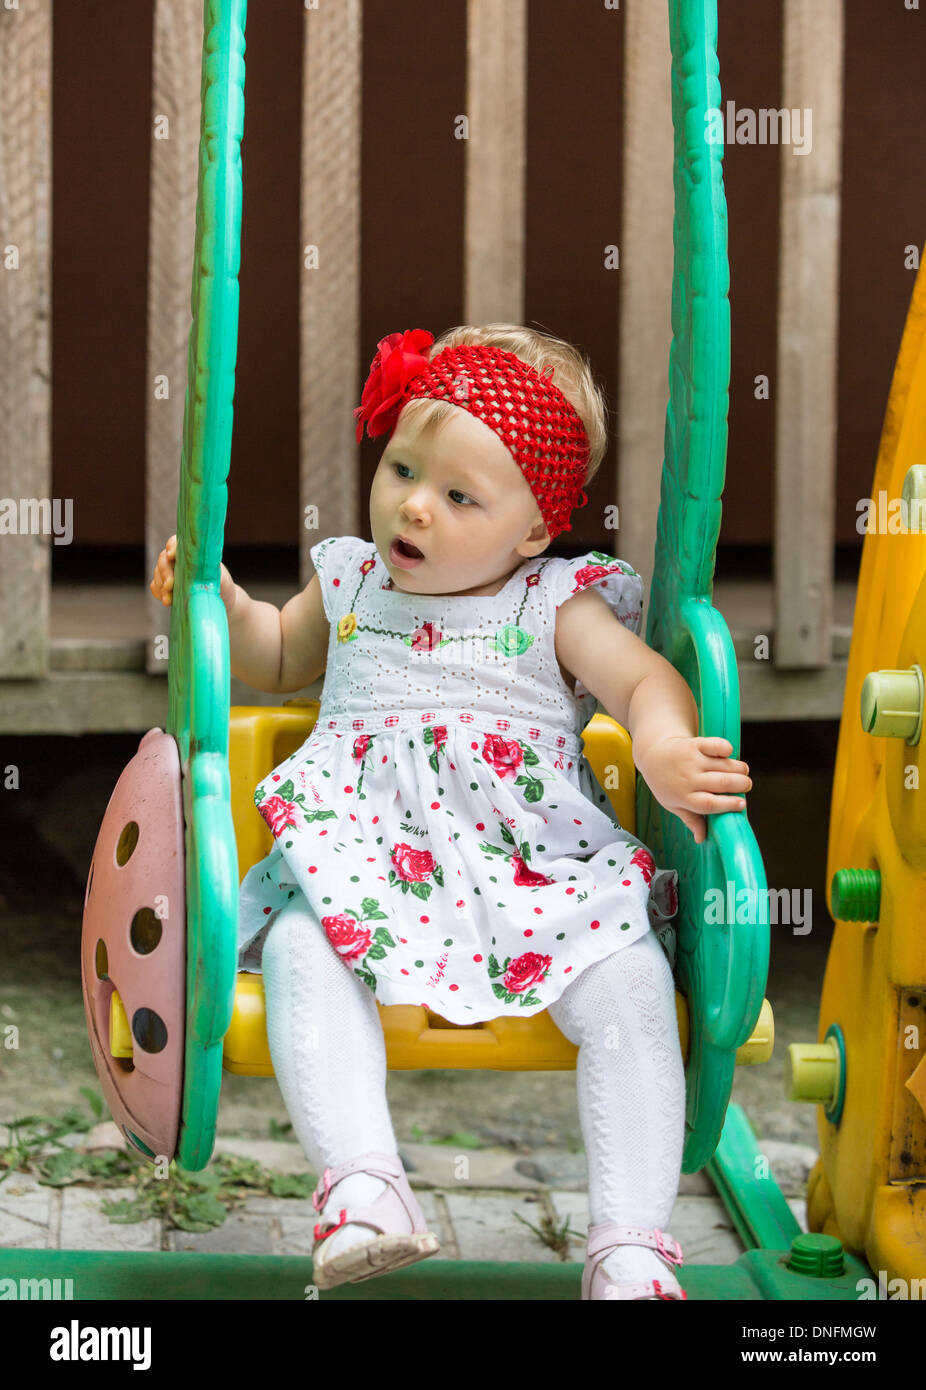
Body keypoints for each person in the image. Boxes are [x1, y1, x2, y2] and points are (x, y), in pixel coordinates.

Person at [151, 323, 751, 1300]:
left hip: (536, 881)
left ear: (529, 529)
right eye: (400, 469)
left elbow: (642, 682)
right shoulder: (349, 584)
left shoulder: (554, 602)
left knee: (632, 985)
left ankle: (631, 1247)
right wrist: (217, 604)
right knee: (304, 949)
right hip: (365, 875)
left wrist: (664, 746)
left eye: (457, 494)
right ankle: (364, 1188)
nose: (412, 505)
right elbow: (269, 657)